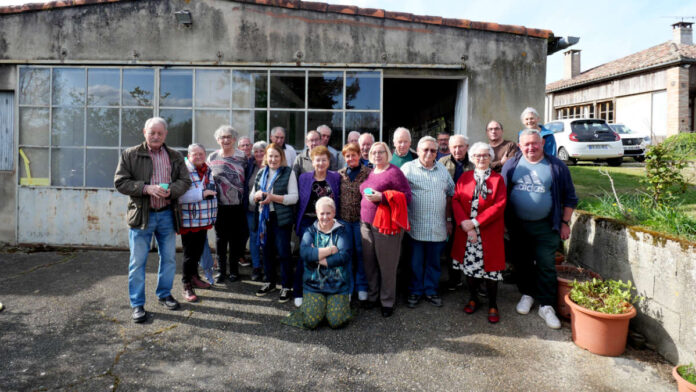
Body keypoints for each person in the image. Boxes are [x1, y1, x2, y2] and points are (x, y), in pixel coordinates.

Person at [114, 117, 191, 323]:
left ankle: (164, 294)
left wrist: (171, 192)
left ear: (165, 134)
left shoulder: (175, 156)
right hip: (142, 216)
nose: (156, 136)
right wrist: (146, 188)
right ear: (144, 132)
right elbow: (120, 182)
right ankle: (137, 304)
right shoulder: (130, 154)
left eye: (160, 133)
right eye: (152, 132)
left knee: (168, 259)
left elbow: (185, 181)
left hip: (167, 214)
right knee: (137, 263)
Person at [502, 130, 578, 329]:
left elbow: (570, 197)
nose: (531, 147)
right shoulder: (512, 165)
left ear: (542, 143)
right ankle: (527, 294)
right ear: (519, 145)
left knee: (545, 264)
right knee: (522, 262)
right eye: (526, 144)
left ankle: (546, 305)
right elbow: (502, 195)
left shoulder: (556, 166)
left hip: (546, 226)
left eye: (535, 143)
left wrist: (564, 223)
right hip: (518, 226)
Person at [451, 142, 507, 324]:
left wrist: (475, 223)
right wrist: (465, 225)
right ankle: (473, 297)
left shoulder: (498, 180)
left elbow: (499, 206)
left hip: (488, 232)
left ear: (491, 158)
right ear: (472, 158)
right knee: (470, 268)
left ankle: (492, 304)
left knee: (491, 271)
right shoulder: (465, 177)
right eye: (477, 155)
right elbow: (456, 200)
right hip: (467, 233)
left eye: (485, 155)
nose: (481, 158)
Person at [282, 197, 353, 329]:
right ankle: (322, 308)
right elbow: (304, 253)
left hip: (337, 286)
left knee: (336, 322)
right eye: (322, 213)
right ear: (316, 213)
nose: (325, 217)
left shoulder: (342, 231)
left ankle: (330, 307)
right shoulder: (310, 231)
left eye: (328, 213)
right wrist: (330, 250)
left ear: (334, 213)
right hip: (313, 285)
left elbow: (344, 256)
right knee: (310, 322)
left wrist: (317, 257)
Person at [401, 136, 454, 308]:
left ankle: (431, 291)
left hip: (437, 227)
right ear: (418, 150)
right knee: (415, 263)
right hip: (415, 226)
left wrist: (448, 220)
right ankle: (415, 292)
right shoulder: (407, 169)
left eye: (433, 150)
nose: (429, 153)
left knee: (434, 263)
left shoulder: (442, 170)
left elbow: (450, 194)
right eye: (426, 150)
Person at [360, 142, 412, 317]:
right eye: (373, 152)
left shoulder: (394, 172)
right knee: (370, 264)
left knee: (387, 266)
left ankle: (387, 301)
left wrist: (383, 197)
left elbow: (407, 197)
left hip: (386, 225)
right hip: (366, 223)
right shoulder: (371, 171)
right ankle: (373, 297)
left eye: (380, 152)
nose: (376, 155)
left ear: (387, 154)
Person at [250, 143, 298, 302]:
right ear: (266, 157)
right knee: (267, 251)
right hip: (264, 218)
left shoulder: (288, 172)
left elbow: (294, 197)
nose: (273, 159)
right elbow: (251, 198)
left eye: (276, 156)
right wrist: (256, 195)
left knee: (284, 252)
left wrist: (273, 197)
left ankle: (286, 286)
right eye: (270, 156)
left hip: (281, 218)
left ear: (282, 158)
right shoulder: (261, 173)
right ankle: (269, 282)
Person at [295, 146, 341, 307]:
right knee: (306, 256)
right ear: (312, 162)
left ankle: (325, 292)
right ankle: (299, 291)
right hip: (308, 222)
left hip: (329, 222)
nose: (320, 163)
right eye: (317, 160)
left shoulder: (335, 177)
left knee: (327, 258)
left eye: (324, 160)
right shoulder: (303, 178)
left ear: (329, 162)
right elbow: (299, 202)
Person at [177, 143, 217, 302]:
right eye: (195, 154)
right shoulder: (183, 170)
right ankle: (186, 284)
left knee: (198, 251)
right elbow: (179, 196)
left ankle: (194, 276)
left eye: (201, 153)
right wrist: (202, 193)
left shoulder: (207, 169)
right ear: (188, 155)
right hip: (189, 220)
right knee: (189, 254)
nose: (199, 156)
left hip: (204, 218)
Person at [207, 126, 247, 283]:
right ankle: (222, 272)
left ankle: (234, 271)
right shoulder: (212, 157)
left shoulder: (242, 157)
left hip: (238, 205)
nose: (225, 140)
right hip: (219, 206)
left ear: (234, 139)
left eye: (229, 137)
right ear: (218, 140)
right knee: (220, 239)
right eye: (222, 137)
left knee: (236, 239)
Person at [438, 134, 474, 291]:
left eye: (461, 146)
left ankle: (474, 282)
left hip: (470, 213)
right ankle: (454, 279)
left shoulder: (473, 164)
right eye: (454, 147)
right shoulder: (441, 163)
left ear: (466, 147)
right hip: (448, 210)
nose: (457, 150)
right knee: (451, 246)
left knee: (471, 246)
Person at [337, 143, 371, 304]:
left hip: (361, 221)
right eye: (347, 156)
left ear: (359, 155)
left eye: (353, 155)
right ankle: (348, 289)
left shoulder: (368, 173)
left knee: (361, 253)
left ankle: (362, 287)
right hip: (344, 221)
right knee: (347, 254)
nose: (351, 158)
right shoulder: (340, 174)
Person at [245, 141, 267, 281]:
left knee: (266, 238)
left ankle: (267, 267)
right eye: (256, 151)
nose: (259, 154)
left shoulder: (272, 165)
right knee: (253, 238)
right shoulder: (250, 166)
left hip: (267, 210)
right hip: (252, 210)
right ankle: (256, 267)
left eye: (262, 151)